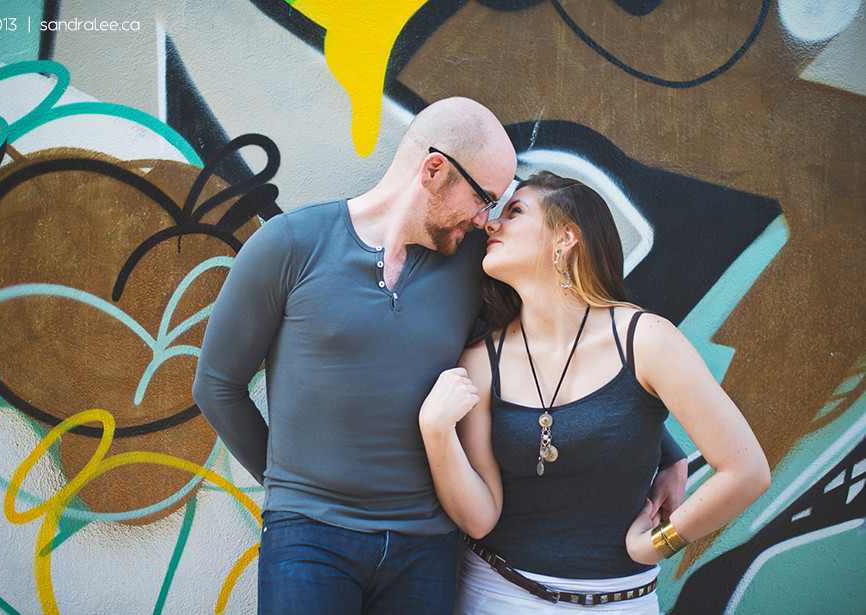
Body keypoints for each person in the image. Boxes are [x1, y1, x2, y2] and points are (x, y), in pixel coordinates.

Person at [192, 98, 684, 615]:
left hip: (426, 548)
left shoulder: (476, 264)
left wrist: (665, 450)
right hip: (310, 540)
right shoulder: (290, 245)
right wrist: (290, 491)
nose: (485, 220)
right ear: (433, 170)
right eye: (483, 199)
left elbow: (558, 350)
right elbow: (217, 385)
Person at [418, 171, 771, 614]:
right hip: (496, 595)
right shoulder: (482, 360)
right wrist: (435, 431)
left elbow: (747, 471)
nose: (491, 223)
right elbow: (480, 517)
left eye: (515, 211)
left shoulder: (646, 341)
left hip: (622, 603)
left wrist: (656, 544)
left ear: (565, 238)